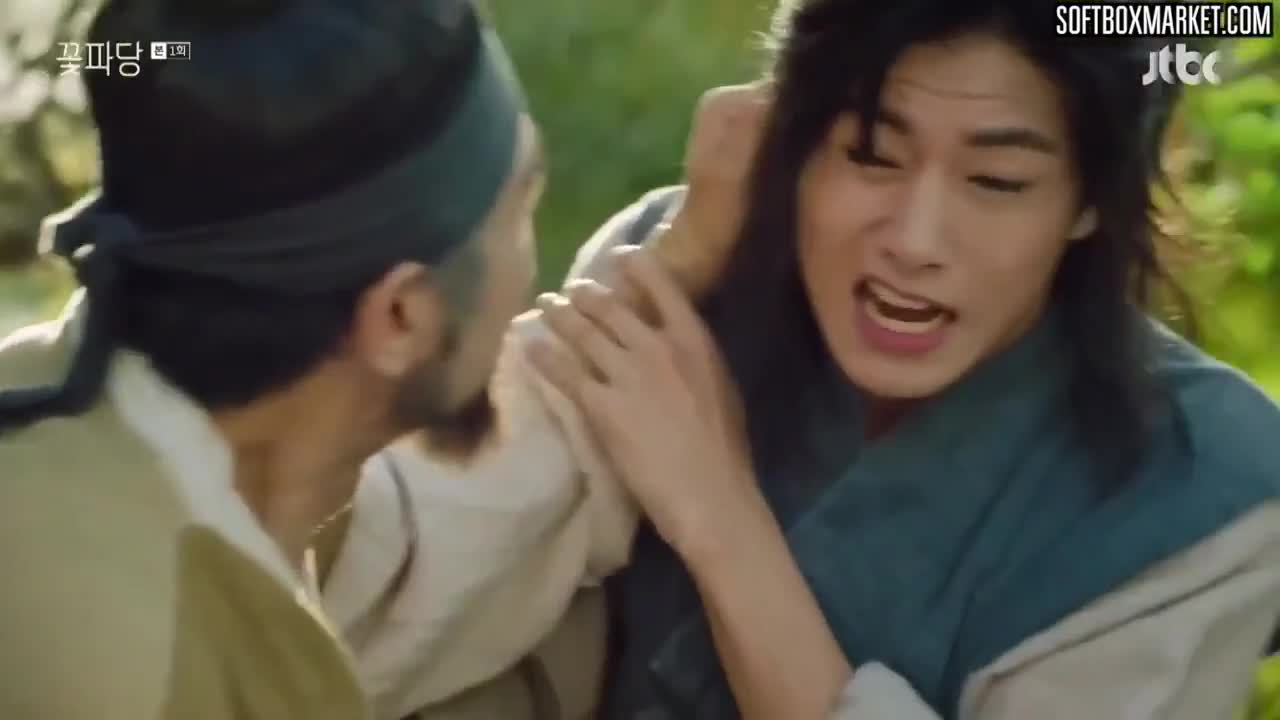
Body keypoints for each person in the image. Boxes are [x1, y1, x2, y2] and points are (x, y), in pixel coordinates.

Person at [525, 0, 1280, 718]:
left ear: (1091, 201)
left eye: (997, 182)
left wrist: (717, 513)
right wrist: (672, 266)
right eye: (871, 155)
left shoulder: (1202, 492)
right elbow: (462, 598)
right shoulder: (680, 268)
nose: (916, 242)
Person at [0, 0, 542, 717]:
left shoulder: (64, 421)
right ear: (400, 317)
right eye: (521, 211)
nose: (530, 270)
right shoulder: (136, 682)